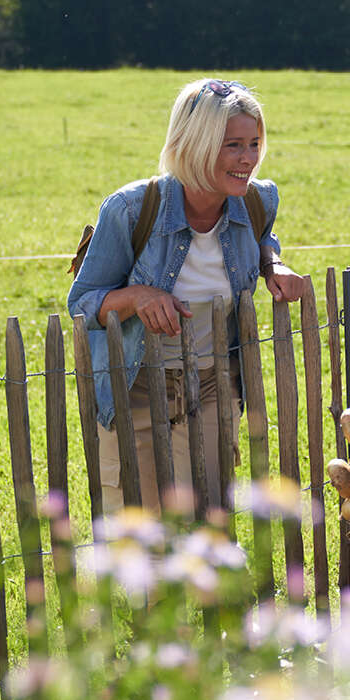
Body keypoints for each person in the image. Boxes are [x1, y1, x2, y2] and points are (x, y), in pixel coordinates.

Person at [68, 78, 307, 514]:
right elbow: (83, 303)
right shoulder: (130, 209)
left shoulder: (258, 201)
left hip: (214, 385)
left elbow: (262, 236)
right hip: (136, 387)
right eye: (232, 145)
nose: (248, 159)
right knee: (142, 529)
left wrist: (272, 262)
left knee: (209, 519)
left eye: (254, 143)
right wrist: (137, 296)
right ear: (195, 143)